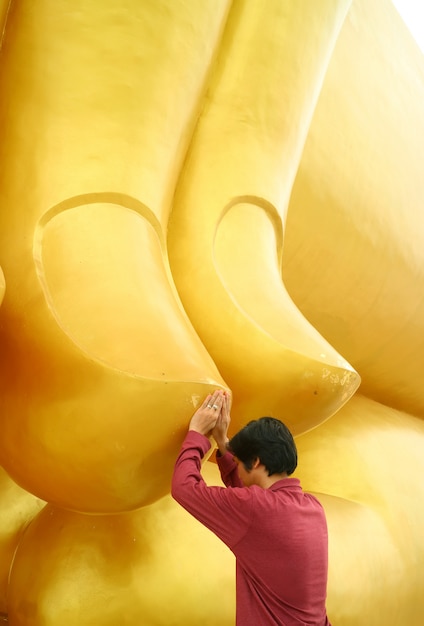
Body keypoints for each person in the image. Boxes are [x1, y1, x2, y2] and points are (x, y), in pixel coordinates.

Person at [171, 389, 332, 626]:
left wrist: (197, 434)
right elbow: (253, 513)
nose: (236, 465)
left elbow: (183, 488)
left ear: (255, 462)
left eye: (238, 462)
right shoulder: (313, 508)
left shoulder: (255, 509)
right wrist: (224, 443)